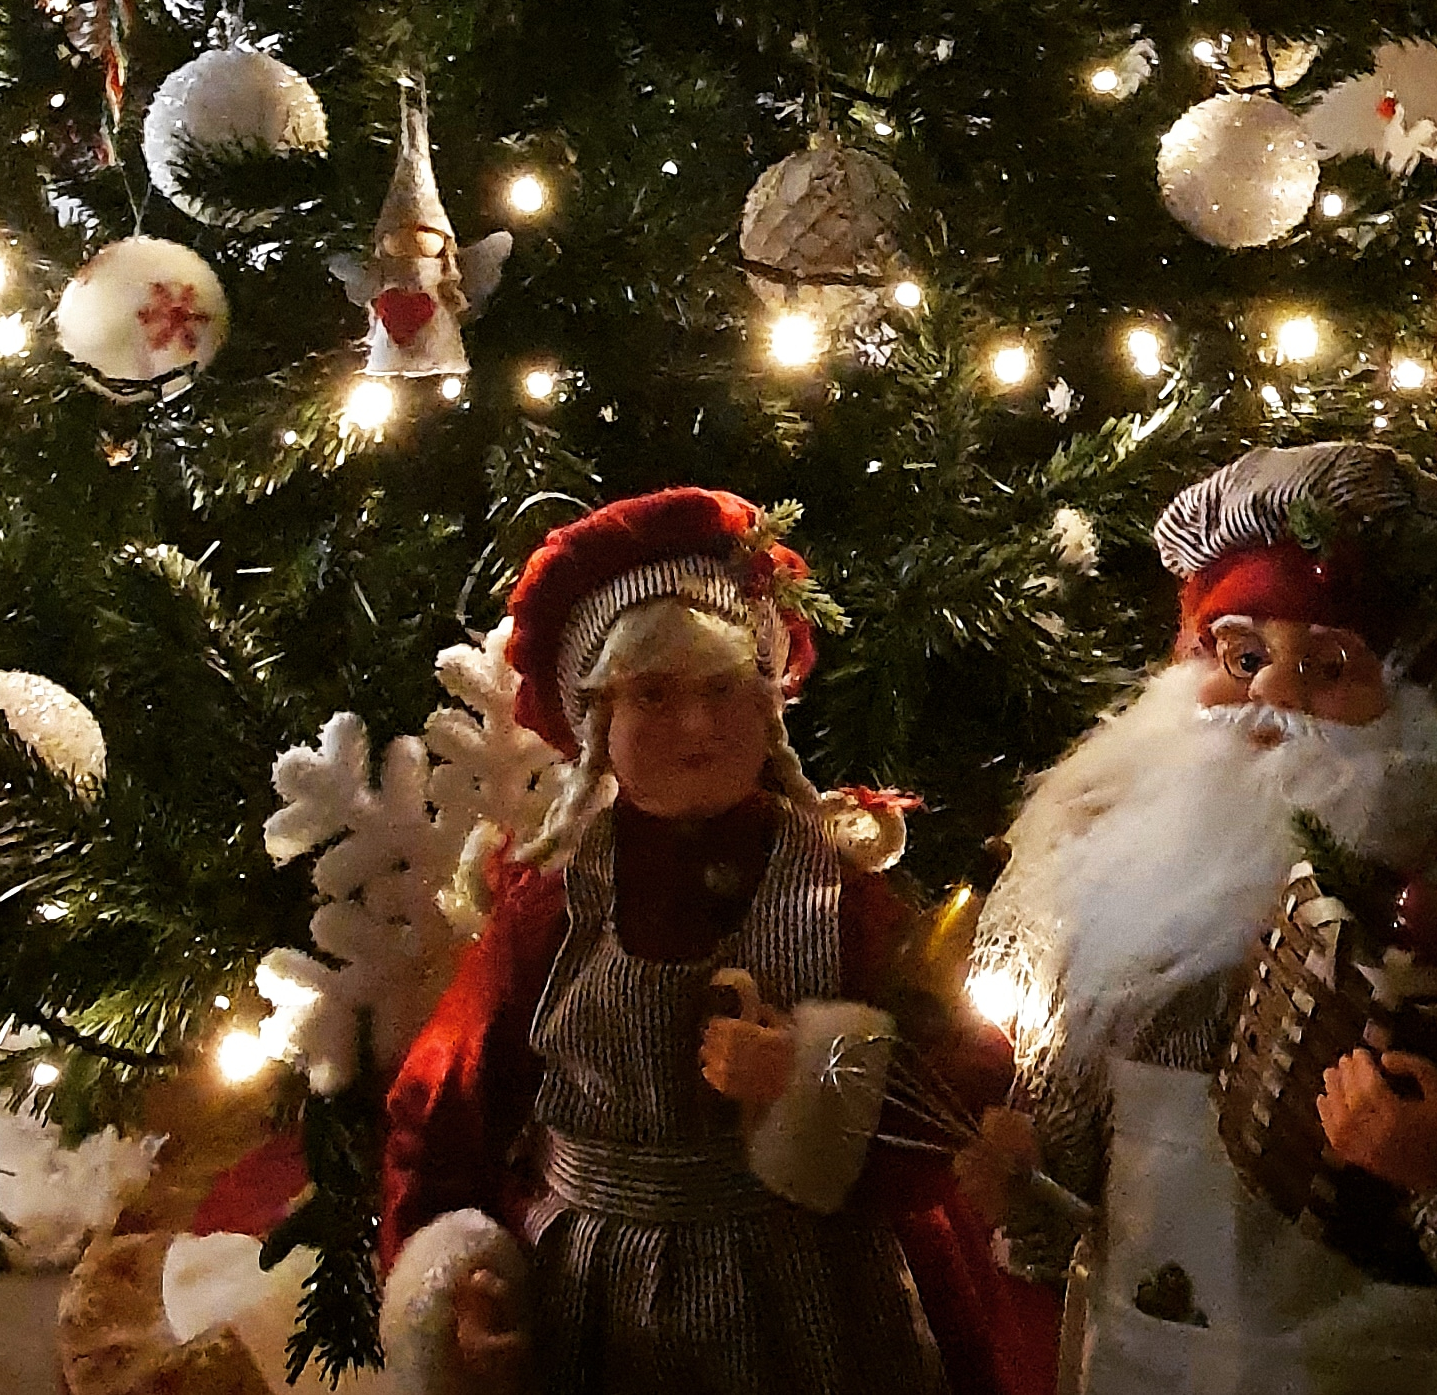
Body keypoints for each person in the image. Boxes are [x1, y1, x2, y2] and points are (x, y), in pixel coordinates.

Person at [973, 440, 1437, 1395]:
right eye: (1243, 656)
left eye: (1327, 666)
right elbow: (1064, 1175)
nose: (1270, 694)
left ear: (1414, 703)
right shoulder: (1097, 885)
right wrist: (1022, 1187)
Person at [377, 486, 1053, 1395]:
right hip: (602, 1302)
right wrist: (457, 1286)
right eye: (653, 695)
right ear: (598, 724)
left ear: (768, 704)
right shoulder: (551, 911)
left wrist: (813, 1078)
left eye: (722, 689)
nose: (695, 727)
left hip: (823, 1292)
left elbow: (959, 1072)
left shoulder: (838, 892)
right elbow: (446, 1110)